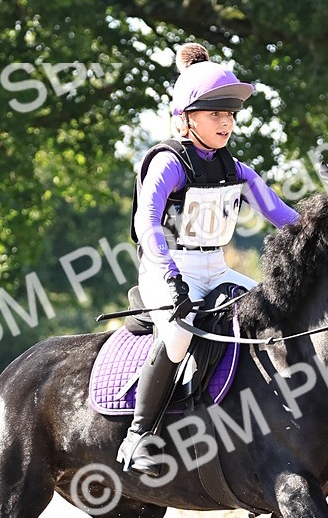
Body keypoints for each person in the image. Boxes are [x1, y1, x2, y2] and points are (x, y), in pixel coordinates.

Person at [118, 42, 299, 475]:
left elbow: (282, 216)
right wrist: (168, 275)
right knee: (179, 337)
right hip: (168, 266)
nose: (226, 123)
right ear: (187, 119)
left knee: (274, 314)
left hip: (215, 267)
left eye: (230, 115)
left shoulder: (234, 168)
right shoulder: (168, 162)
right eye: (216, 114)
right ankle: (138, 435)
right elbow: (147, 223)